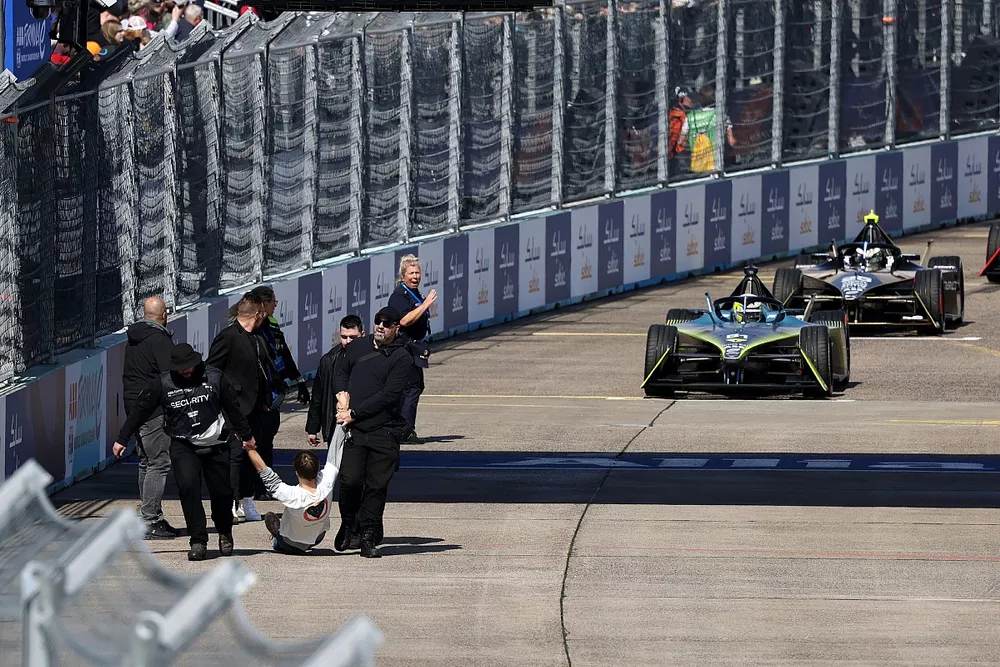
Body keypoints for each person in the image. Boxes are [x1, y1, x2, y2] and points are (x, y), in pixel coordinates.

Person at [112, 343, 256, 562]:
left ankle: (225, 530)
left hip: (216, 443)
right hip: (183, 444)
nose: (186, 371)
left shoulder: (215, 377)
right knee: (188, 488)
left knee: (223, 492)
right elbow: (141, 409)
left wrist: (246, 436)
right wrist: (122, 438)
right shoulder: (163, 383)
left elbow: (233, 409)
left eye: (189, 366)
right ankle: (198, 540)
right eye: (181, 368)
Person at [333, 306, 414, 558]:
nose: (380, 326)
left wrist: (354, 413)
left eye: (386, 323)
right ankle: (348, 524)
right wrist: (341, 396)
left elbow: (389, 396)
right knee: (350, 481)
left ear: (395, 329)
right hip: (355, 430)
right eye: (378, 321)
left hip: (384, 431)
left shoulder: (402, 358)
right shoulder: (357, 346)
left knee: (377, 486)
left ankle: (368, 535)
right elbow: (340, 370)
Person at [207, 292, 282, 523]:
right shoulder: (227, 337)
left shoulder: (258, 337)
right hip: (234, 408)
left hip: (257, 407)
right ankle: (230, 501)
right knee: (235, 455)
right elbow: (212, 371)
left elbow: (265, 368)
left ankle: (248, 500)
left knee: (253, 453)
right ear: (257, 314)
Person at [243, 395, 349, 555]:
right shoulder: (327, 482)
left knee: (280, 536)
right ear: (318, 469)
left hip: (291, 544)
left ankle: (278, 535)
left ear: (297, 472)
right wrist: (342, 411)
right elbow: (335, 449)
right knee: (305, 524)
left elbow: (265, 472)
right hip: (317, 537)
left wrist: (249, 447)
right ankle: (293, 533)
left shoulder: (293, 495)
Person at [118, 296, 181, 540]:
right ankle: (150, 518)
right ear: (164, 315)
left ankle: (151, 515)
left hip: (134, 405)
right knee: (158, 462)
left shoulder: (134, 338)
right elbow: (170, 374)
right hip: (152, 408)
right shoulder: (159, 339)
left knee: (146, 461)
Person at [244, 285, 310, 502]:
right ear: (263, 304)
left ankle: (266, 485)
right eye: (273, 301)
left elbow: (283, 354)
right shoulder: (253, 328)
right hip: (259, 396)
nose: (276, 304)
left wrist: (299, 381)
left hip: (274, 393)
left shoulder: (272, 324)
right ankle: (253, 486)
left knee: (268, 440)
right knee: (256, 441)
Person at [387, 254, 436, 444]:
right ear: (403, 276)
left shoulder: (414, 293)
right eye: (411, 273)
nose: (415, 276)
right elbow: (403, 320)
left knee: (412, 387)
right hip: (403, 347)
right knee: (411, 387)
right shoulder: (400, 295)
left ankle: (400, 428)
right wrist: (425, 305)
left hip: (413, 346)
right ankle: (405, 430)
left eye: (417, 273)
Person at [305, 314, 364, 450]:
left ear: (362, 334)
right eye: (344, 337)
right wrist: (312, 429)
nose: (348, 341)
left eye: (352, 337)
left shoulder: (372, 358)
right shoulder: (329, 360)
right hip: (336, 424)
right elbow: (318, 396)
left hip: (363, 424)